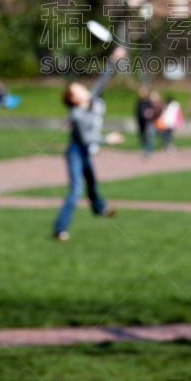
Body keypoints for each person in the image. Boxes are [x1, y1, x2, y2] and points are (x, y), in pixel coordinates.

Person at [53, 46, 126, 241]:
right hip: (75, 152)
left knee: (92, 184)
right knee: (76, 190)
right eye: (79, 89)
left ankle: (99, 208)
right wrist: (107, 139)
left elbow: (103, 80)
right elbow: (86, 139)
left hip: (84, 151)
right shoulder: (76, 115)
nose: (84, 89)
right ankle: (60, 229)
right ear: (73, 98)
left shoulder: (90, 100)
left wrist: (114, 59)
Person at [135, 86, 159, 156]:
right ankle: (146, 149)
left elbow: (153, 112)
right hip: (141, 123)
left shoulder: (148, 102)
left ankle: (147, 150)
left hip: (148, 123)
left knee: (149, 137)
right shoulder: (139, 101)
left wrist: (148, 114)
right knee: (143, 137)